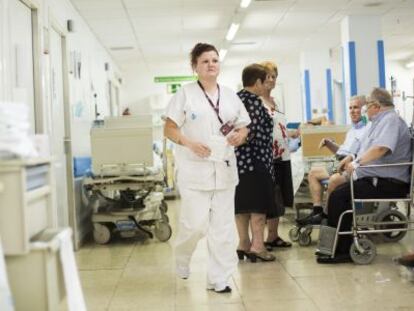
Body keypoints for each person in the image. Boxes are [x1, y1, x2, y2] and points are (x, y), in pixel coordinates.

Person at [164, 43, 250, 292]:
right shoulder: (185, 94)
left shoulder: (231, 94)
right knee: (194, 225)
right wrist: (189, 143)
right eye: (205, 61)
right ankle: (182, 258)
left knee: (222, 228)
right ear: (195, 67)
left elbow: (244, 126)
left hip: (224, 169)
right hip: (194, 169)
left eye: (215, 60)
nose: (211, 64)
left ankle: (218, 278)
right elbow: (169, 128)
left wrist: (240, 136)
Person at [317, 88, 411, 264]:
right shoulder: (377, 122)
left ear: (376, 105)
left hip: (388, 182)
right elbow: (364, 148)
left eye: (366, 105)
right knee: (337, 194)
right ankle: (332, 246)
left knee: (338, 197)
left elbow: (381, 148)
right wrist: (352, 157)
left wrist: (357, 164)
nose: (364, 110)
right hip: (375, 179)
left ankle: (341, 250)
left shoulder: (391, 120)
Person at [299, 95, 367, 225]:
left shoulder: (366, 130)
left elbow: (360, 154)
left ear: (364, 109)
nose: (352, 111)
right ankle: (317, 211)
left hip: (351, 165)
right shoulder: (352, 130)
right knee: (313, 173)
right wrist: (329, 143)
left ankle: (326, 215)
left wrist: (346, 161)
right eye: (350, 108)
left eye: (356, 107)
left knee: (334, 179)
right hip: (339, 161)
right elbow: (342, 151)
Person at [234, 64, 275, 262]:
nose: (267, 84)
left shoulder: (235, 100)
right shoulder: (254, 103)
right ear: (257, 82)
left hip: (238, 164)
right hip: (257, 163)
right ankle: (258, 246)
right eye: (265, 80)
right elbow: (254, 133)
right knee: (258, 207)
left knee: (242, 206)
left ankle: (243, 243)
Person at [260, 61, 294, 249]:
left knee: (278, 198)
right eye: (268, 76)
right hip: (267, 157)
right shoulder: (257, 102)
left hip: (283, 155)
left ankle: (273, 236)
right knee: (267, 198)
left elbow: (280, 128)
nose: (271, 80)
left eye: (274, 76)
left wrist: (291, 134)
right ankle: (261, 238)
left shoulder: (276, 102)